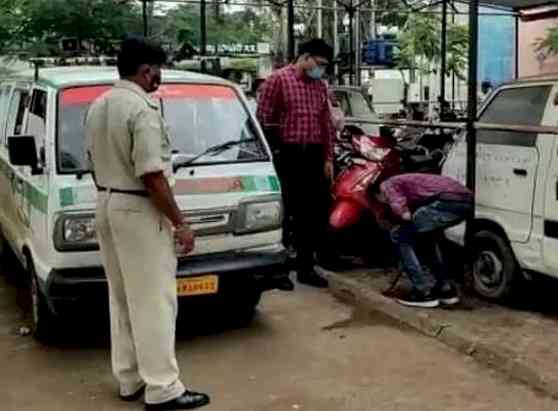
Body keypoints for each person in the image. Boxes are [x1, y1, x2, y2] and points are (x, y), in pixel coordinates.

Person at [85, 36, 210, 410]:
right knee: (155, 301)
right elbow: (152, 175)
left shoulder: (99, 105)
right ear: (146, 70)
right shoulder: (143, 110)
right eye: (158, 70)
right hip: (139, 210)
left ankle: (130, 378)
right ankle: (163, 388)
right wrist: (181, 223)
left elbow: (93, 162)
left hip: (107, 202)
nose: (160, 77)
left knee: (122, 298)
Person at [257, 38, 335, 288]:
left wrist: (328, 158)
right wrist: (271, 155)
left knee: (311, 214)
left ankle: (306, 268)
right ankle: (277, 271)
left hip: (312, 154)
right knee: (284, 211)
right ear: (305, 57)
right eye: (319, 63)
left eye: (324, 66)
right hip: (286, 154)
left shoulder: (320, 86)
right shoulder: (278, 80)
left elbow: (326, 125)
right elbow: (263, 118)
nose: (320, 69)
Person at [373, 173, 473, 308]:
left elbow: (403, 212)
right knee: (426, 238)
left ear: (378, 194)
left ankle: (423, 292)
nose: (384, 203)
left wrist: (400, 219)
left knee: (399, 235)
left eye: (381, 200)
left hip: (446, 202)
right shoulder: (408, 181)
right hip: (464, 201)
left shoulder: (387, 184)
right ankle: (445, 290)